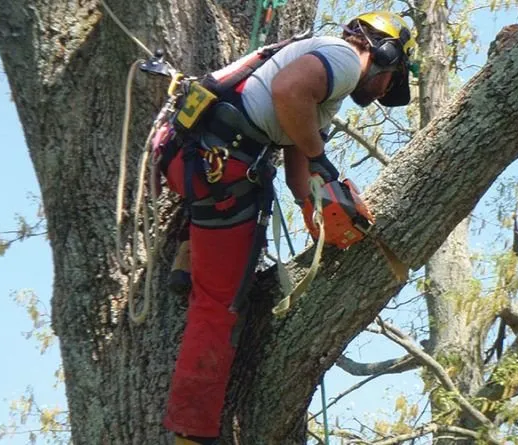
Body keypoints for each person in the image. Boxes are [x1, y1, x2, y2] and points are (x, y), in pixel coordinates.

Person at [158, 11, 418, 444]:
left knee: (224, 257)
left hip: (200, 159)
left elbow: (299, 168)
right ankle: (190, 431)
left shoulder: (327, 76)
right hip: (219, 165)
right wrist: (321, 160)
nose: (386, 88)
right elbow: (288, 92)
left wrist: (317, 212)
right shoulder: (344, 60)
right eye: (393, 78)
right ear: (385, 52)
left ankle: (188, 254)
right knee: (219, 305)